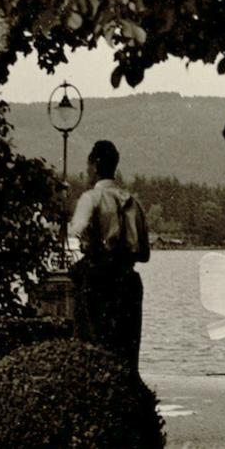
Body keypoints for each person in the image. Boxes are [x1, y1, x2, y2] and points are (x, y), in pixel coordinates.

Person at [69, 140, 149, 372]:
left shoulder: (91, 198)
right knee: (126, 356)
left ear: (94, 166)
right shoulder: (133, 203)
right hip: (128, 282)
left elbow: (75, 232)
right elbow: (144, 254)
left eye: (88, 167)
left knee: (92, 351)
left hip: (97, 281)